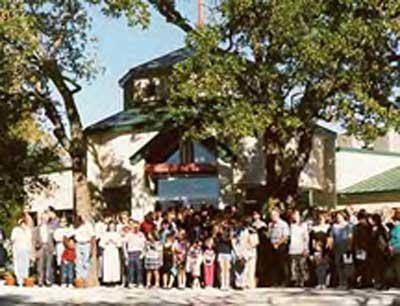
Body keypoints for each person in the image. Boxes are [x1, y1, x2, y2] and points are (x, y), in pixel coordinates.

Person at [329, 211, 353, 289]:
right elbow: (331, 237)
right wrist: (330, 245)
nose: (338, 218)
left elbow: (350, 237)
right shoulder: (334, 226)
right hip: (337, 248)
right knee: (338, 265)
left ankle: (346, 282)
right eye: (337, 217)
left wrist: (349, 247)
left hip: (345, 248)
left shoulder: (347, 226)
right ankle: (341, 282)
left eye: (339, 216)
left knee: (346, 266)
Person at [268, 208, 290, 286]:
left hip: (281, 246)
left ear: (278, 215)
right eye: (271, 215)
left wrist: (278, 243)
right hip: (272, 246)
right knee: (274, 264)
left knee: (282, 264)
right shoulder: (270, 225)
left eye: (274, 215)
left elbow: (286, 236)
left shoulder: (283, 224)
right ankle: (275, 281)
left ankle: (285, 281)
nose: (272, 217)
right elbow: (269, 235)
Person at [33, 212, 55, 286]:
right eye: (42, 218)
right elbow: (33, 239)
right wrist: (35, 248)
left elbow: (54, 238)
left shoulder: (51, 228)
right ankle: (40, 281)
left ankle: (47, 280)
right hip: (40, 247)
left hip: (49, 247)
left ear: (47, 219)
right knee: (40, 265)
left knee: (48, 264)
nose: (44, 220)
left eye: (45, 218)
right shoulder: (36, 229)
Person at [288, 210, 309, 287]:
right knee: (294, 266)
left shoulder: (303, 225)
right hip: (293, 248)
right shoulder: (291, 226)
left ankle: (303, 280)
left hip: (301, 248)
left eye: (296, 215)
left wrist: (306, 248)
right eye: (294, 215)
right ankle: (296, 280)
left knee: (302, 265)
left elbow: (306, 238)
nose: (295, 217)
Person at [352, 210, 372, 288]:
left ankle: (366, 281)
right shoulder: (356, 227)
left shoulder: (369, 227)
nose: (362, 220)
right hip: (360, 249)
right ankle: (358, 282)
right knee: (360, 266)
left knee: (367, 266)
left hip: (369, 249)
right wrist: (356, 249)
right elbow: (355, 239)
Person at [123, 220, 146, 288]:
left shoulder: (141, 234)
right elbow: (124, 244)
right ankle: (131, 282)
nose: (136, 228)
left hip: (139, 252)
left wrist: (143, 253)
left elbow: (144, 244)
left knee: (139, 268)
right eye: (134, 226)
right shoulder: (129, 234)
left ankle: (139, 282)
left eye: (137, 226)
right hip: (131, 252)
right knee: (131, 268)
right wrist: (125, 254)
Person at [11, 218, 32, 286]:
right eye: (21, 223)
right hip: (17, 249)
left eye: (24, 223)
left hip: (26, 249)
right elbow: (13, 240)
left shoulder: (28, 230)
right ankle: (19, 280)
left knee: (25, 265)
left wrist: (30, 251)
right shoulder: (16, 230)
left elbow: (29, 241)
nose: (22, 225)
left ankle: (25, 279)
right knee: (18, 265)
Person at [370, 213, 390, 289]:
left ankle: (384, 284)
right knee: (377, 267)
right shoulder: (372, 228)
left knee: (382, 268)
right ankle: (379, 283)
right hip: (375, 250)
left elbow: (387, 237)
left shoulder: (381, 228)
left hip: (381, 249)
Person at [74, 215, 95, 282]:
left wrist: (92, 247)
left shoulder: (88, 225)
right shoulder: (76, 225)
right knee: (78, 261)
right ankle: (78, 278)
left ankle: (84, 278)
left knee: (86, 261)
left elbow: (92, 236)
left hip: (86, 243)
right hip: (78, 243)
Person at [215, 224, 232, 290]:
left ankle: (227, 284)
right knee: (222, 269)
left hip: (227, 253)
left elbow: (228, 240)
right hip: (221, 253)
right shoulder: (218, 235)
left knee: (227, 269)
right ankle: (222, 284)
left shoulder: (229, 235)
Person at [388, 209, 400, 287]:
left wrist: (391, 244)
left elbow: (396, 238)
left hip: (397, 248)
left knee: (397, 266)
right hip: (396, 248)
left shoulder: (397, 228)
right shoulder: (395, 228)